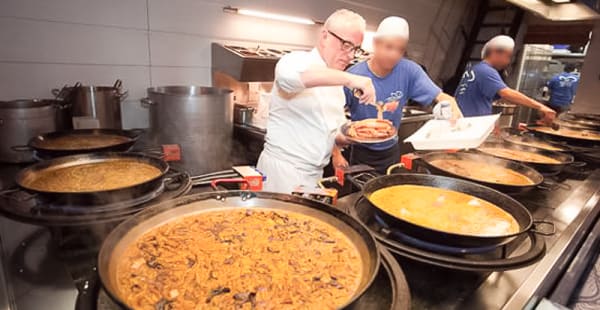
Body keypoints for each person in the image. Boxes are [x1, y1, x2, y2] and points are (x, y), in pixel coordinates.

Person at [256, 9, 376, 193]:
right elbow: (292, 78)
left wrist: (356, 135)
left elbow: (333, 133)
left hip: (314, 175)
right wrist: (351, 79)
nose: (351, 55)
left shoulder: (336, 85)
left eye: (356, 48)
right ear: (325, 36)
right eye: (346, 45)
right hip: (282, 172)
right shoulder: (293, 61)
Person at [337, 16, 462, 173]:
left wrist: (450, 104)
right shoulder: (353, 75)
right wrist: (336, 154)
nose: (394, 55)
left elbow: (441, 96)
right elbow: (330, 120)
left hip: (391, 151)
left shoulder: (409, 71)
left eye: (400, 50)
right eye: (389, 47)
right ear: (375, 43)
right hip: (360, 152)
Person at [455, 35, 556, 123]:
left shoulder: (476, 68)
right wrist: (541, 107)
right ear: (495, 53)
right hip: (470, 124)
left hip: (467, 121)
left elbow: (497, 97)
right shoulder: (486, 71)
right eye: (507, 56)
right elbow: (506, 93)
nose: (508, 62)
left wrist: (492, 123)